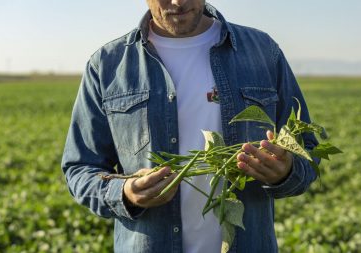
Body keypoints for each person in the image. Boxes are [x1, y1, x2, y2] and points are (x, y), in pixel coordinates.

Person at [61, 0, 318, 252]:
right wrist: (125, 192)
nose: (178, 2)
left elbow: (308, 151)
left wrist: (285, 172)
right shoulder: (107, 64)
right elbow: (80, 168)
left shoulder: (262, 52)